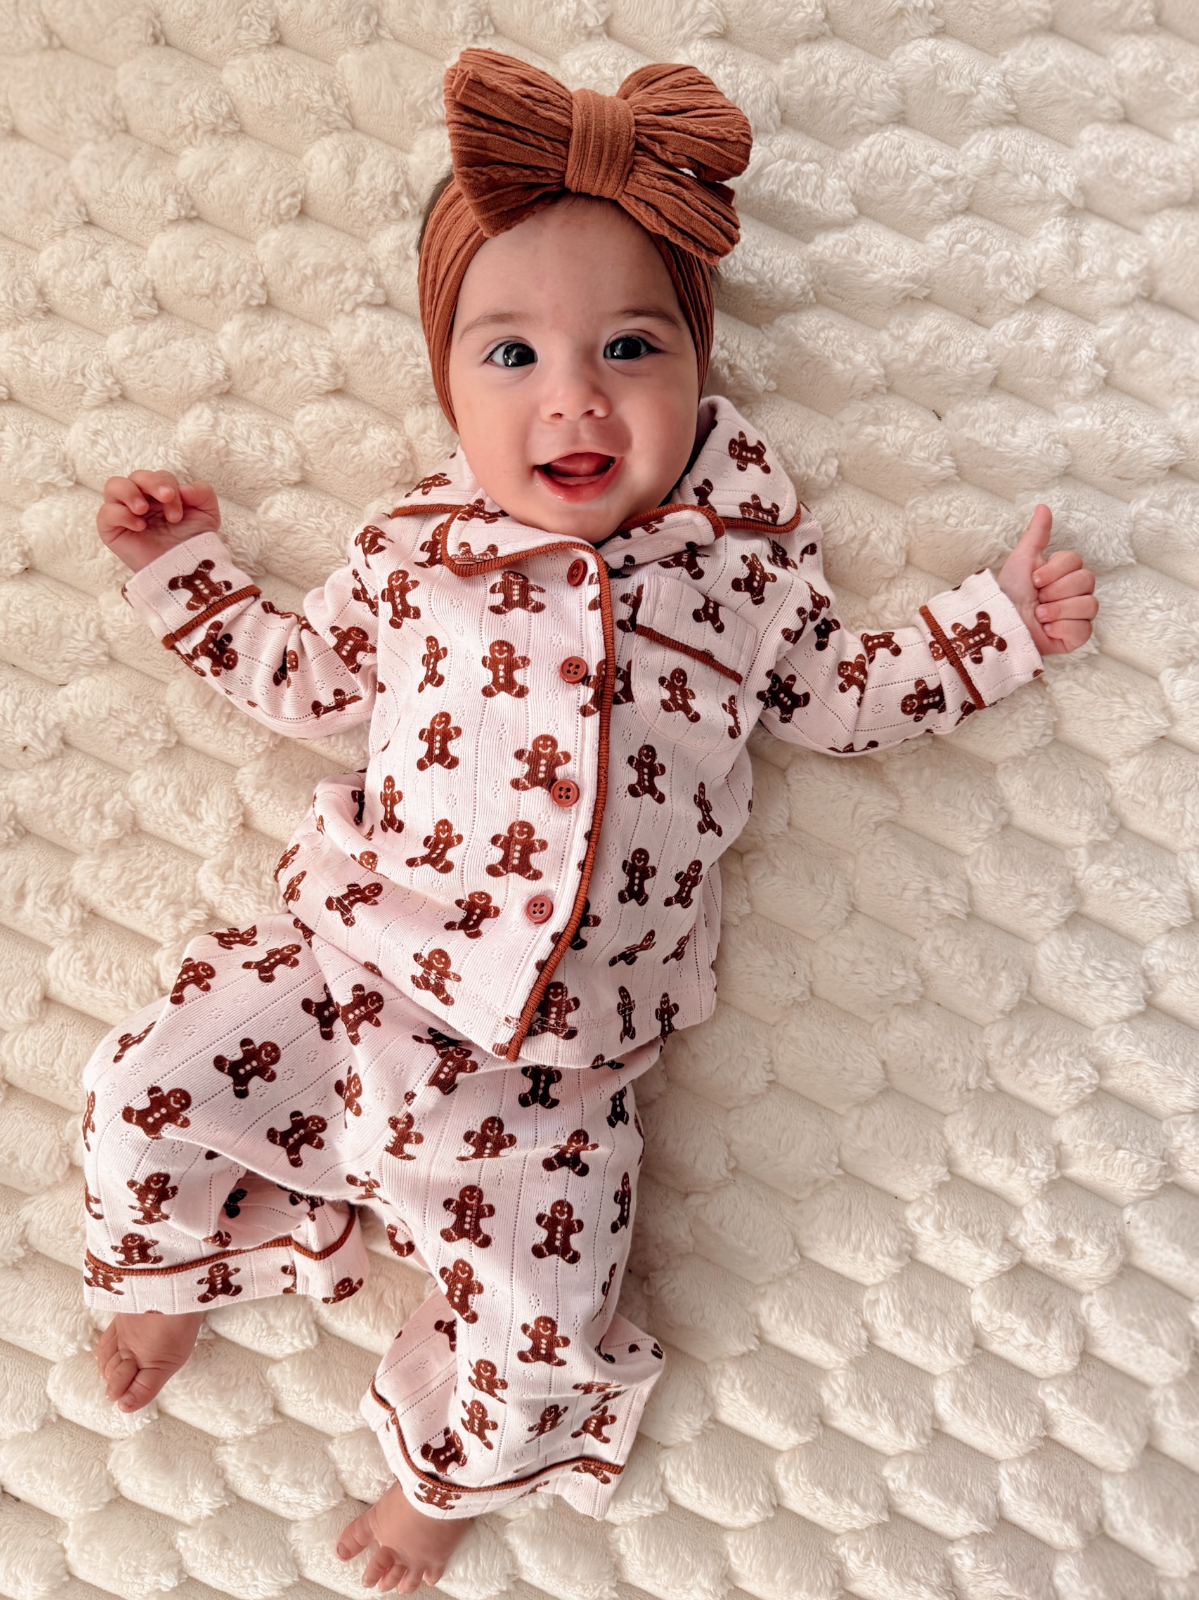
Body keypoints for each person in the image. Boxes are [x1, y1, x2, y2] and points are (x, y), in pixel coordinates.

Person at [82, 48, 1097, 1596]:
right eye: (510, 354)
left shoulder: (740, 566)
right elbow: (300, 679)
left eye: (630, 345)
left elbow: (837, 695)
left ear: (697, 371)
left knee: (548, 1312)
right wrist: (187, 573)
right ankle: (168, 1271)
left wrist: (995, 626)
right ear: (448, 390)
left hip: (559, 1064)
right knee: (148, 1080)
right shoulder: (416, 548)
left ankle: (439, 1477)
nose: (574, 394)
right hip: (353, 970)